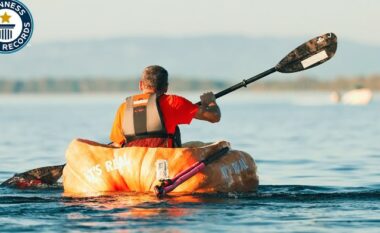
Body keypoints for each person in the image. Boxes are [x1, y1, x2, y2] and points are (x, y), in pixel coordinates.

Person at [110, 65, 221, 148]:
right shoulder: (174, 103)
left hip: (134, 164)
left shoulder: (124, 107)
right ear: (166, 87)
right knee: (205, 146)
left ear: (140, 85)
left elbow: (117, 144)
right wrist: (210, 102)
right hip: (165, 162)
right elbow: (214, 117)